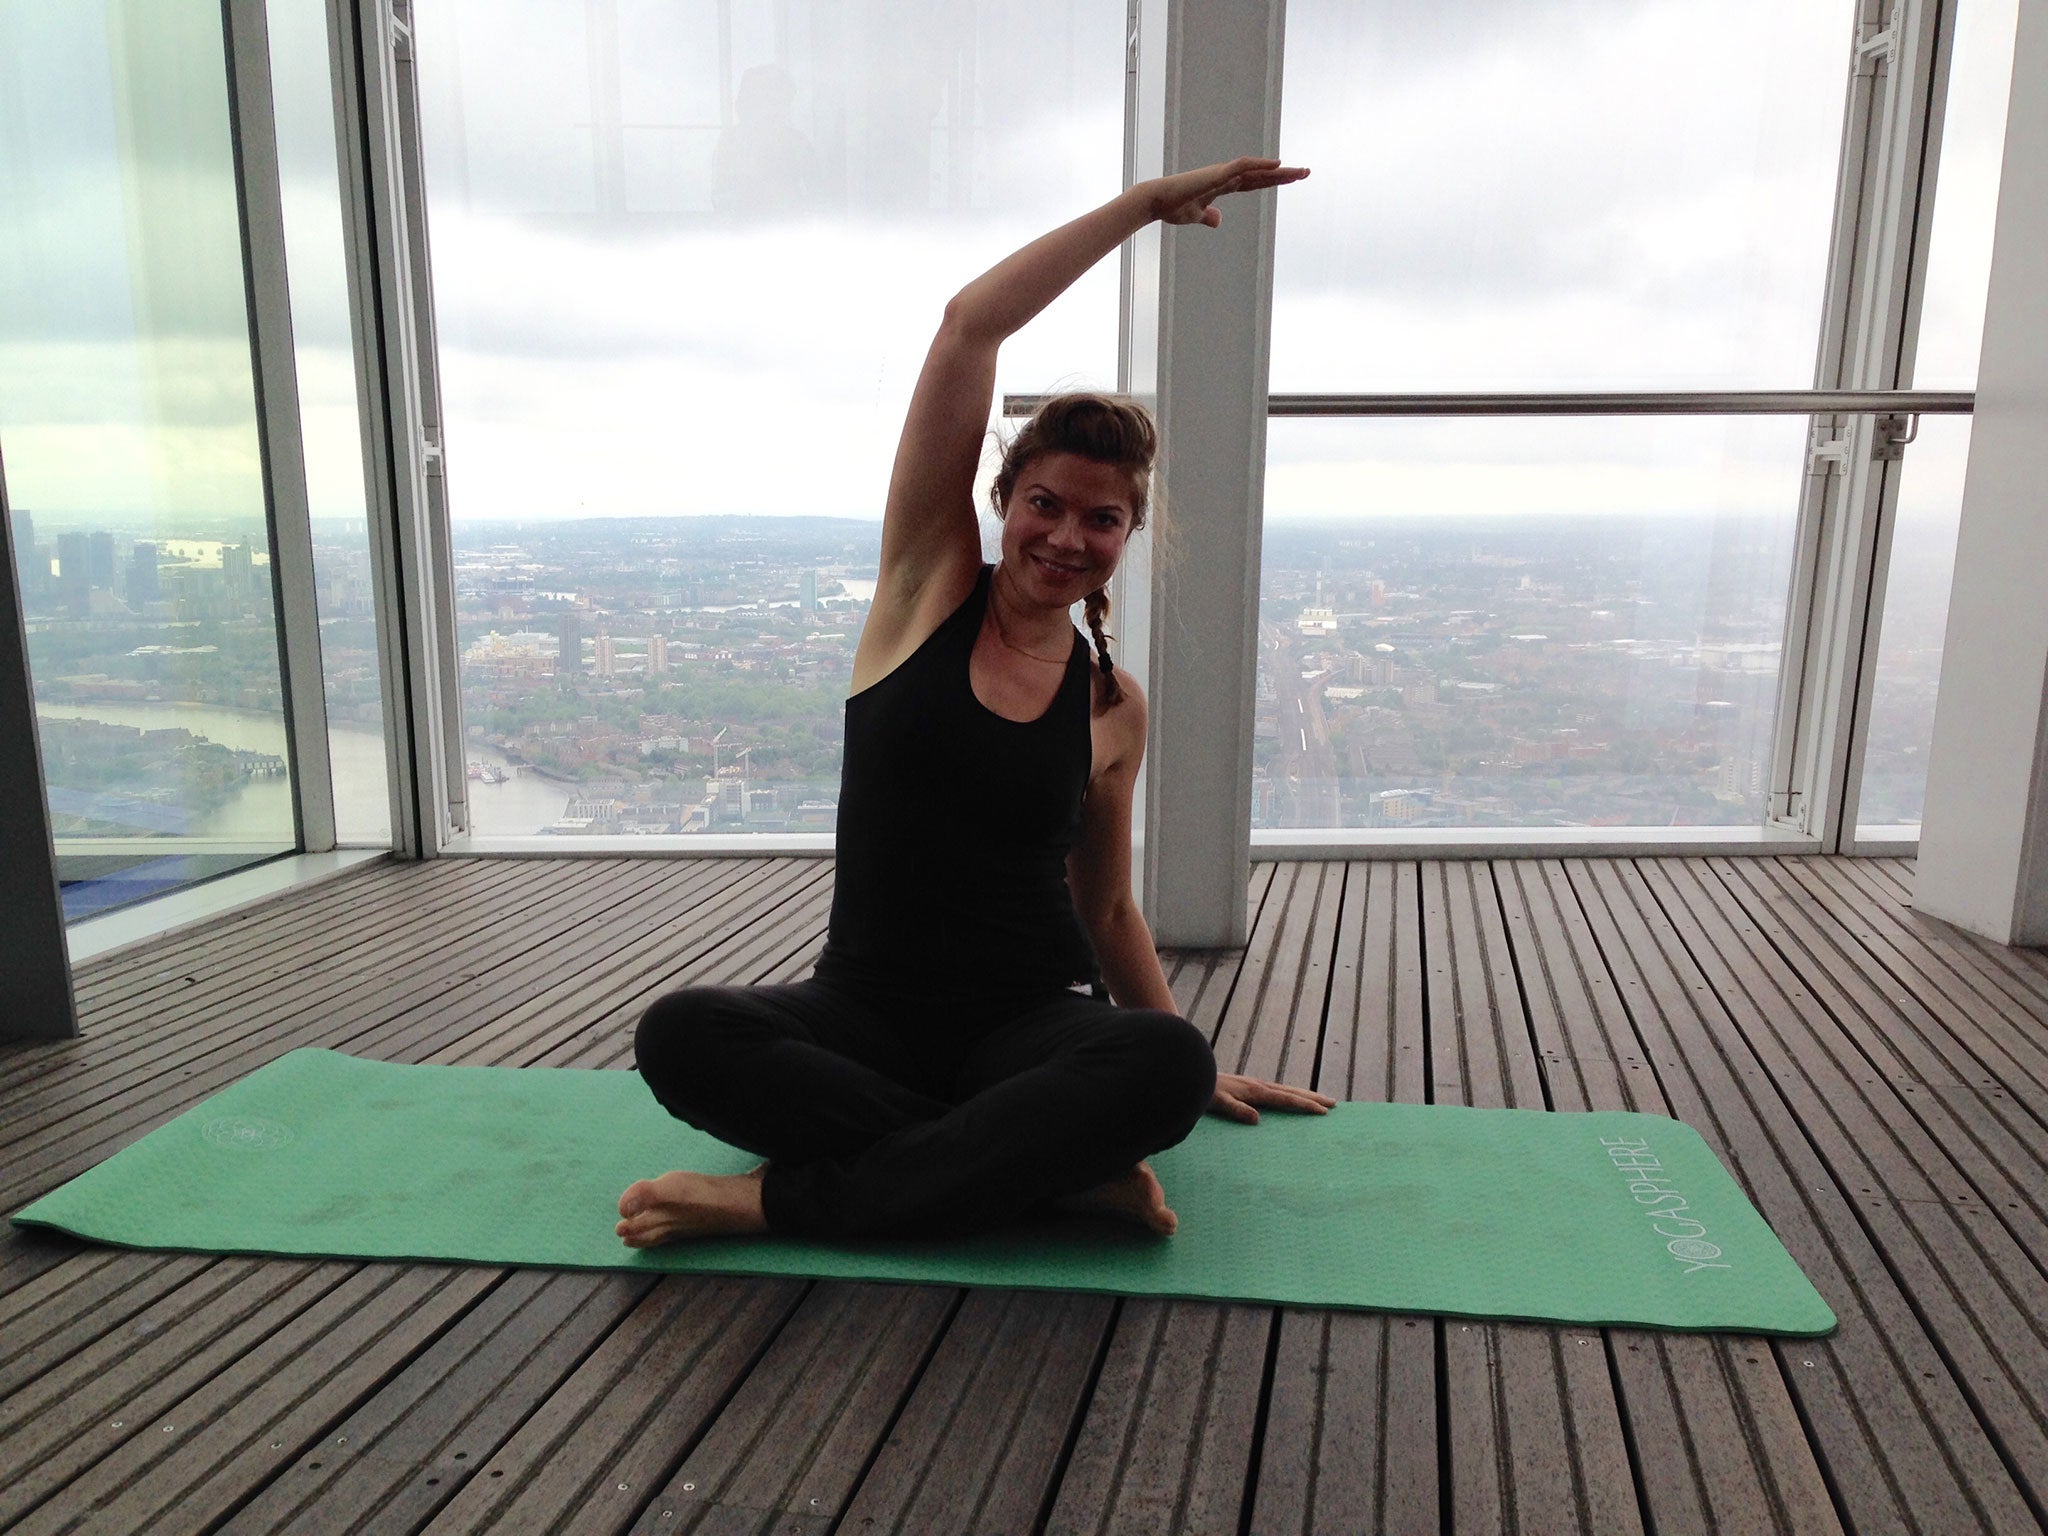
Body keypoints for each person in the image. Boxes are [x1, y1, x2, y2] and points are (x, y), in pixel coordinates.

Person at [618, 155, 1327, 1248]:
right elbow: (966, 329)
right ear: (1000, 503)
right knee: (680, 1034)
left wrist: (1187, 1067)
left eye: (1101, 520)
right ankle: (1041, 1173)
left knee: (1164, 1063)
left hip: (1028, 1026)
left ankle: (777, 1200)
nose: (1066, 536)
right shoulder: (922, 599)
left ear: (1127, 538)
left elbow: (1105, 913)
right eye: (1044, 504)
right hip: (857, 1016)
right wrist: (1142, 208)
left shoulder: (1110, 706)